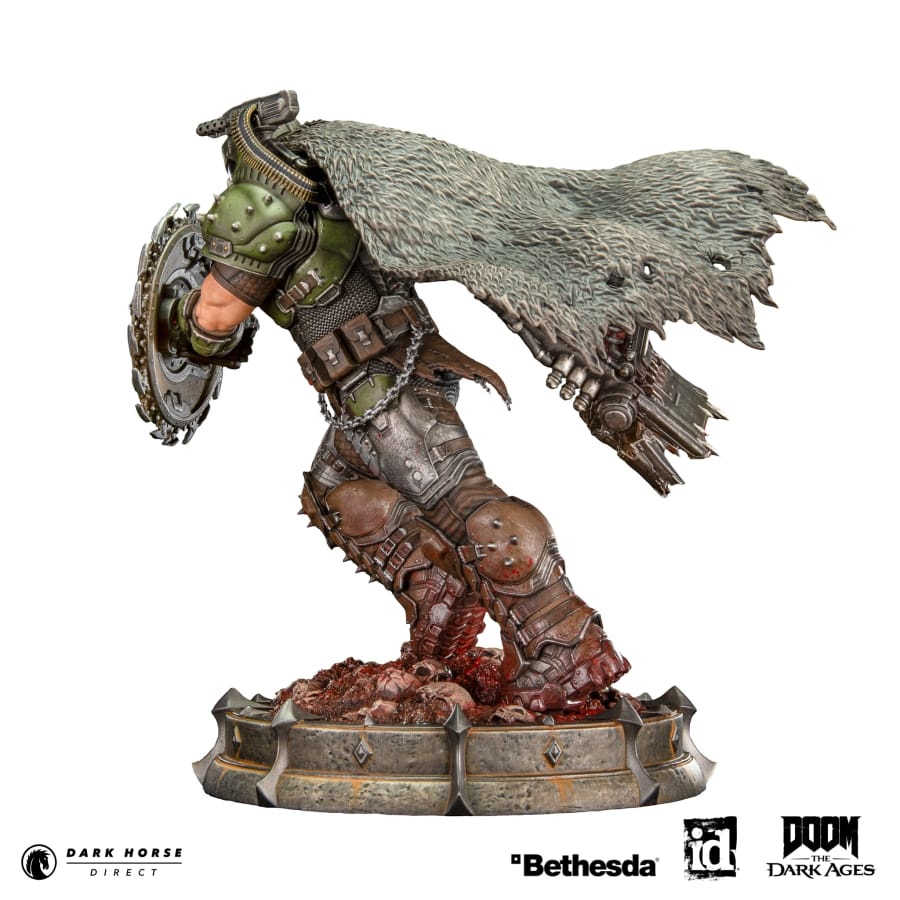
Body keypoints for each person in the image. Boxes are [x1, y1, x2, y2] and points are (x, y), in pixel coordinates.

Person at [177, 109, 630, 714]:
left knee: (465, 503)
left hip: (383, 389)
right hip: (375, 387)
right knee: (335, 489)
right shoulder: (338, 188)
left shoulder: (261, 203)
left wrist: (174, 321)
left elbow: (214, 318)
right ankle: (440, 598)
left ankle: (566, 642)